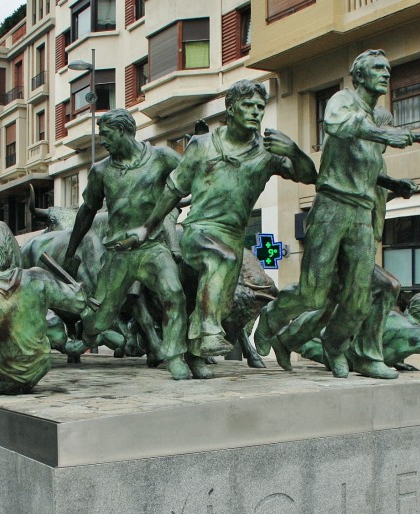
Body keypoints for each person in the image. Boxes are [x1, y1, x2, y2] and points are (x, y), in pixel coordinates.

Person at [254, 49, 420, 378]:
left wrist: (392, 183)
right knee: (313, 293)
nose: (385, 74)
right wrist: (397, 134)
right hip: (332, 206)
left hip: (360, 211)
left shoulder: (372, 122)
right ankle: (271, 319)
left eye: (387, 69)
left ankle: (343, 346)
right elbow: (336, 124)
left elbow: (365, 169)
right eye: (377, 69)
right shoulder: (343, 101)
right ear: (359, 76)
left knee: (359, 295)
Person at [117, 79, 316, 378]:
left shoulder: (268, 153)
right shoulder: (202, 145)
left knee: (222, 305)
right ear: (231, 108)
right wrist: (147, 228)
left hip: (233, 238)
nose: (255, 112)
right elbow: (173, 190)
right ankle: (209, 331)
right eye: (248, 106)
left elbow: (308, 175)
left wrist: (295, 151)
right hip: (198, 230)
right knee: (220, 259)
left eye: (260, 108)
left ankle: (196, 354)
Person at [63, 108, 190, 379]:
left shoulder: (161, 158)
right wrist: (71, 250)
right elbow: (87, 211)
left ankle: (175, 355)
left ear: (122, 131)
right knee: (99, 316)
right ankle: (86, 338)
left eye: (106, 135)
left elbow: (193, 178)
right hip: (117, 253)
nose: (103, 142)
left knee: (174, 293)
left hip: (152, 247)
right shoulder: (100, 171)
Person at [0, 228, 89, 396]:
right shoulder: (38, 277)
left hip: (8, 374)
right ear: (11, 252)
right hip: (40, 367)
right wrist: (72, 279)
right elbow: (79, 302)